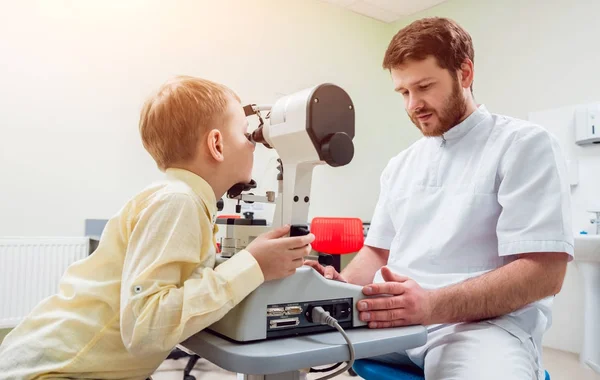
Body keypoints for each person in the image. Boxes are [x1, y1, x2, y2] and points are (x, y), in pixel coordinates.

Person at [306, 17, 573, 380]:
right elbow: (377, 252)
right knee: (287, 344)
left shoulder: (523, 146)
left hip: (481, 329)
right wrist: (337, 289)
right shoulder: (402, 165)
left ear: (465, 73)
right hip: (398, 323)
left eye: (424, 86)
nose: (413, 104)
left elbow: (545, 272)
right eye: (403, 92)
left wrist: (430, 305)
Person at [0, 76, 315, 379]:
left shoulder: (180, 198)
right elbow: (145, 327)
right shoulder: (179, 202)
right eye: (247, 134)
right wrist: (253, 264)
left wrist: (267, 267)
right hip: (55, 372)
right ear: (216, 144)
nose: (254, 144)